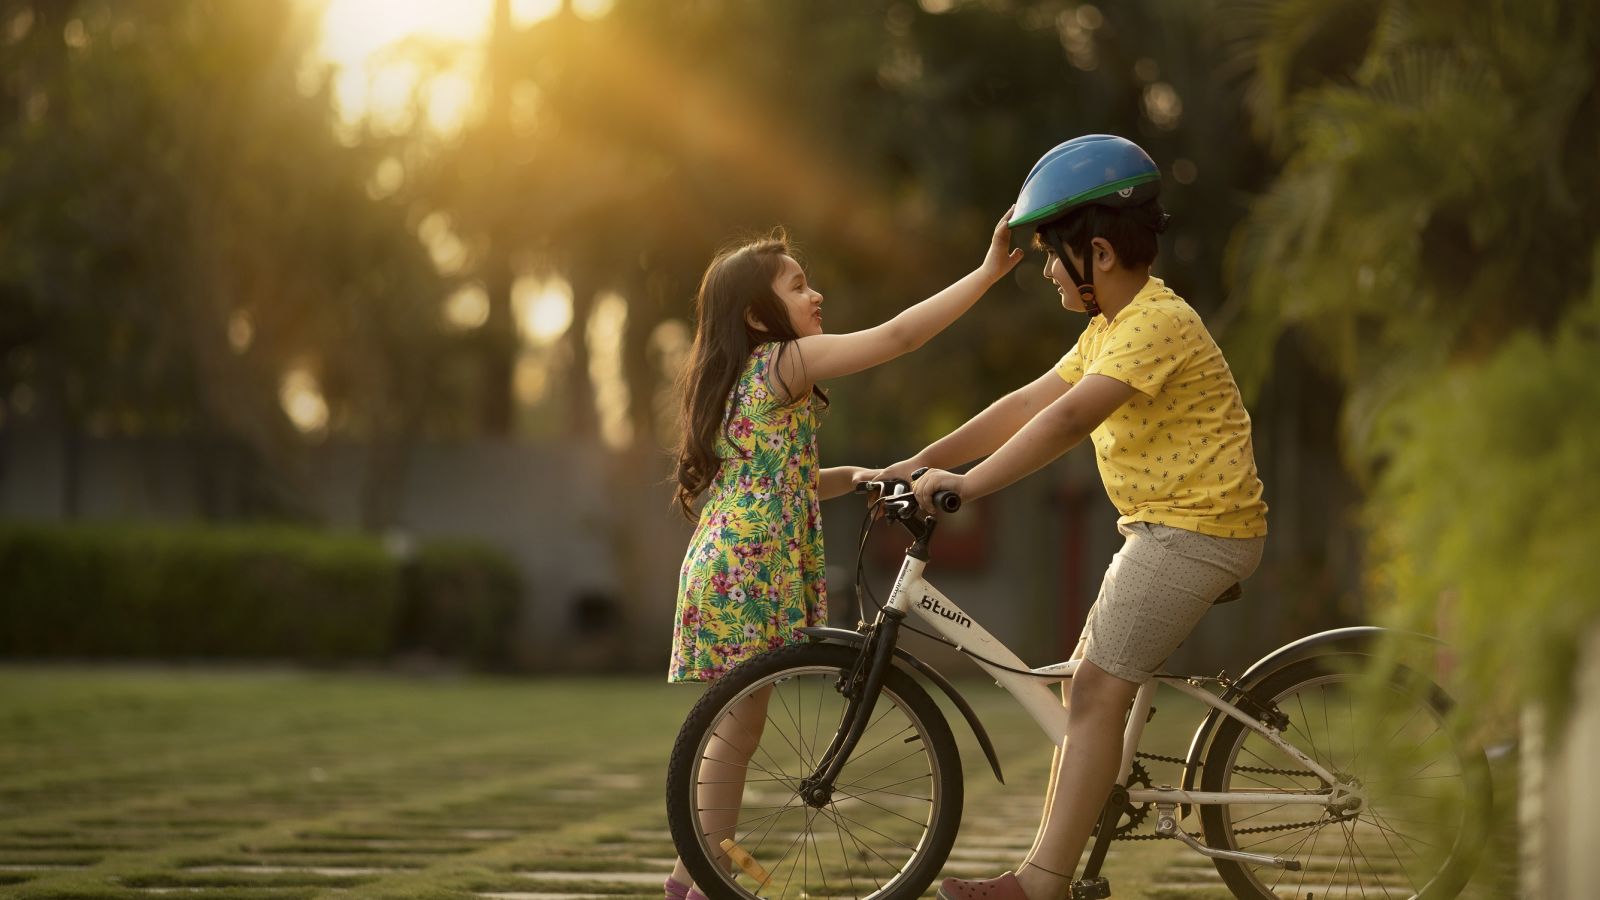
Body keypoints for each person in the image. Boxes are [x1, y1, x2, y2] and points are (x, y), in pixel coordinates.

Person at [870, 135, 1269, 900]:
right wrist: (915, 464)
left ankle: (1039, 885)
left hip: (1197, 532)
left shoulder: (1157, 322)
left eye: (1054, 255)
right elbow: (1025, 404)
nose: (1047, 271)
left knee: (1091, 694)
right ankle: (1056, 860)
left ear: (1099, 254)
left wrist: (964, 488)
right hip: (1163, 530)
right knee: (1082, 695)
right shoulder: (1109, 328)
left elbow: (1065, 423)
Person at [664, 210, 1024, 900]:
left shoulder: (744, 379)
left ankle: (694, 877)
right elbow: (899, 336)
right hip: (748, 566)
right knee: (737, 727)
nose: (815, 295)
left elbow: (780, 480)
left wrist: (858, 477)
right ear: (759, 316)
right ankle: (695, 880)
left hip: (725, 559)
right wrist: (983, 275)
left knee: (736, 724)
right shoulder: (784, 361)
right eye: (798, 287)